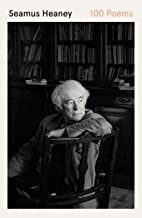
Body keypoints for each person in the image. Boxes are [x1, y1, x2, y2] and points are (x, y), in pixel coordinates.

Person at [8, 80, 112, 208]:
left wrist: (64, 131)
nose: (77, 108)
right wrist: (8, 172)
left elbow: (105, 126)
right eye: (70, 102)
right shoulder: (48, 122)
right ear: (59, 108)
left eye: (80, 100)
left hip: (77, 191)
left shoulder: (92, 118)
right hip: (45, 180)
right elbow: (28, 151)